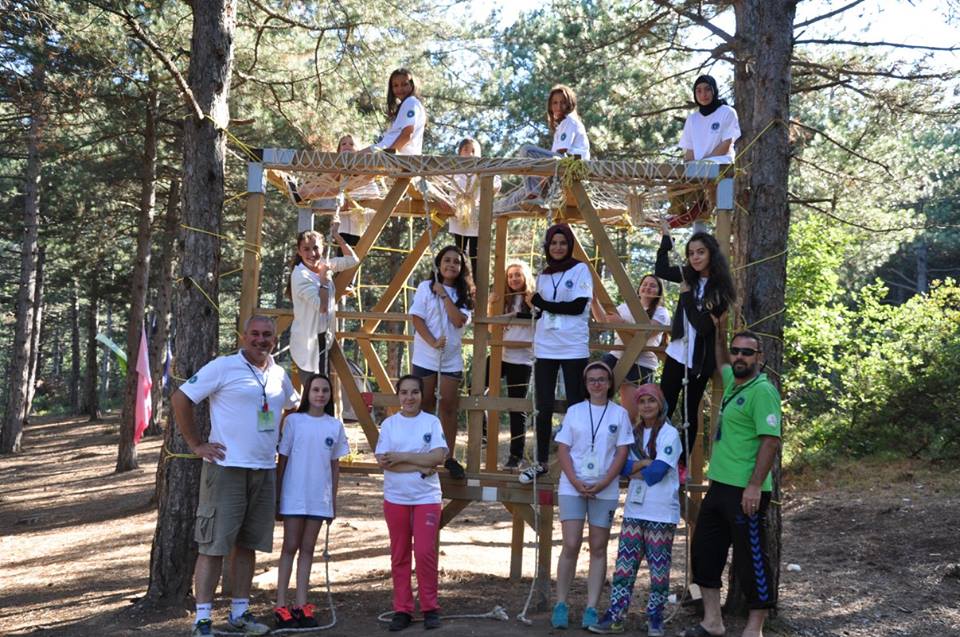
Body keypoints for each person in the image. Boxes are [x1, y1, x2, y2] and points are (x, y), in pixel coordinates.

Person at [173, 316, 300, 637]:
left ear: (275, 339)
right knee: (213, 545)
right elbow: (181, 398)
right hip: (225, 469)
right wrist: (196, 444)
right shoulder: (223, 367)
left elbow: (293, 407)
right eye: (254, 334)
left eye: (267, 335)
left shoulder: (279, 374)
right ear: (244, 337)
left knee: (248, 545)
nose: (261, 339)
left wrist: (280, 442)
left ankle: (239, 614)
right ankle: (203, 620)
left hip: (264, 470)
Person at [681, 320, 781, 637]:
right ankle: (713, 622)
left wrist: (754, 486)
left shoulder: (763, 391)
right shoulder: (734, 384)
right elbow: (722, 360)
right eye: (737, 351)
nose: (739, 356)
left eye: (747, 353)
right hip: (719, 486)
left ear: (759, 357)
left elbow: (770, 441)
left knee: (751, 561)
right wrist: (720, 330)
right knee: (705, 553)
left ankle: (754, 629)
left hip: (745, 491)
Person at [590, 384, 681, 637]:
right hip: (634, 511)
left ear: (660, 404)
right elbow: (621, 468)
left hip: (661, 512)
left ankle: (655, 618)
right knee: (624, 568)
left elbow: (656, 473)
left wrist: (636, 468)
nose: (647, 406)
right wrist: (643, 463)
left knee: (659, 570)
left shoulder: (670, 433)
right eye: (642, 401)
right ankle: (615, 616)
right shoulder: (633, 434)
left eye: (652, 400)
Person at [551, 361, 633, 629]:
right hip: (572, 486)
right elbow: (563, 449)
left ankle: (591, 607)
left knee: (598, 547)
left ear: (609, 384)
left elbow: (622, 452)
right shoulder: (574, 411)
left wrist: (605, 482)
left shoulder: (619, 414)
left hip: (604, 488)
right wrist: (575, 481)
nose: (597, 384)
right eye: (591, 380)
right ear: (585, 385)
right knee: (571, 543)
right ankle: (561, 604)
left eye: (601, 379)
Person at [656, 224, 735, 476]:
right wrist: (666, 239)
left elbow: (702, 327)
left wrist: (687, 297)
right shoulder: (686, 276)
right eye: (691, 253)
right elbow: (660, 270)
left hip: (700, 360)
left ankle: (681, 464)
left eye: (700, 252)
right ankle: (657, 455)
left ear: (711, 253)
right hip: (677, 352)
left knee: (689, 413)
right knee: (664, 406)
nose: (695, 258)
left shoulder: (721, 290)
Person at [519, 223, 593, 484]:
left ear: (569, 245)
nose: (558, 247)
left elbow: (577, 306)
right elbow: (541, 311)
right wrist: (530, 309)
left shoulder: (580, 269)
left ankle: (578, 459)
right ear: (547, 246)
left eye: (563, 243)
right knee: (543, 405)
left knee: (576, 404)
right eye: (553, 243)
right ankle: (540, 461)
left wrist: (543, 303)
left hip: (573, 346)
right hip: (546, 346)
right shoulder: (544, 274)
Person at [274, 373, 349, 630]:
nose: (320, 394)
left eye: (325, 390)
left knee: (308, 549)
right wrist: (278, 496)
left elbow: (335, 467)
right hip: (294, 495)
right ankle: (281, 604)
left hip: (319, 498)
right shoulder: (293, 421)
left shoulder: (334, 426)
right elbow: (283, 459)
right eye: (316, 390)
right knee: (290, 547)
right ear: (307, 393)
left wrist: (332, 502)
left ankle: (301, 603)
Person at [375, 375, 448, 632]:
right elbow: (385, 462)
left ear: (421, 395)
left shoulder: (431, 421)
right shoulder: (389, 425)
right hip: (396, 498)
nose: (409, 397)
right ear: (398, 395)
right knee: (400, 554)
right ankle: (402, 609)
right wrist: (420, 463)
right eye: (404, 392)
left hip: (426, 497)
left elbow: (437, 456)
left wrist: (402, 457)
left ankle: (430, 607)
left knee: (425, 552)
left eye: (414, 392)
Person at [410, 245, 475, 479]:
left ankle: (448, 456)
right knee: (425, 403)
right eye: (447, 260)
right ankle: (422, 452)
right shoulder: (425, 287)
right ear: (439, 264)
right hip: (426, 356)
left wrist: (445, 295)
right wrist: (432, 342)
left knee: (448, 406)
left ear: (462, 267)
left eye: (456, 262)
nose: (451, 265)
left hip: (450, 359)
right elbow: (417, 319)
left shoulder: (465, 293)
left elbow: (458, 321)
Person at [495, 84, 590, 211]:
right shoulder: (561, 126)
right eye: (555, 103)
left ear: (570, 104)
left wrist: (543, 175)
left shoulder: (569, 121)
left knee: (527, 150)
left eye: (563, 102)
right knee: (517, 196)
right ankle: (492, 210)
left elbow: (561, 153)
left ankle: (534, 194)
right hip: (560, 168)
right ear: (550, 106)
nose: (558, 107)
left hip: (572, 167)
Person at [288, 226, 359, 377]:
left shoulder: (324, 265)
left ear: (323, 249)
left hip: (324, 338)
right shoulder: (300, 276)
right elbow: (322, 307)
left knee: (322, 385)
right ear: (299, 251)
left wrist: (337, 236)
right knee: (313, 387)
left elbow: (353, 260)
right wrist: (324, 280)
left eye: (316, 248)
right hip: (307, 344)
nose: (312, 254)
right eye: (306, 249)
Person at [485, 259, 535, 469]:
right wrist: (491, 305)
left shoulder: (532, 298)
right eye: (510, 275)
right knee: (475, 389)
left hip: (522, 359)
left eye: (518, 275)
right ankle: (483, 433)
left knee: (517, 407)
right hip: (500, 354)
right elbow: (491, 329)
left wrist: (515, 315)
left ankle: (516, 456)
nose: (514, 279)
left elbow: (539, 319)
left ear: (525, 277)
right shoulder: (503, 300)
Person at [600, 274, 671, 423]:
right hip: (615, 356)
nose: (647, 287)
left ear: (659, 292)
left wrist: (621, 323)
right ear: (639, 288)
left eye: (653, 285)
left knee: (630, 416)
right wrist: (594, 302)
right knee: (593, 387)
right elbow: (603, 321)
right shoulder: (624, 308)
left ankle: (630, 437)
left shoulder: (661, 312)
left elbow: (647, 333)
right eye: (645, 284)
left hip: (641, 363)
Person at [448, 136, 501, 278]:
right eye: (466, 150)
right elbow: (444, 183)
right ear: (459, 152)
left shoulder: (483, 170)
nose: (470, 154)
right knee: (460, 252)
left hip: (476, 215)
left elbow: (496, 184)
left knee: (475, 253)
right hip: (459, 214)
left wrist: (486, 181)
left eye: (473, 151)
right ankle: (462, 281)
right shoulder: (454, 170)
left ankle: (478, 283)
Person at [679, 75, 740, 163]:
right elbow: (690, 150)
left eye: (707, 89)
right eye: (699, 91)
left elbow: (727, 143)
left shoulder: (727, 112)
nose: (703, 94)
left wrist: (705, 163)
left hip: (721, 165)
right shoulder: (692, 119)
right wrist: (688, 165)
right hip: (698, 168)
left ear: (714, 90)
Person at [369, 68, 426, 155]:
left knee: (353, 158)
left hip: (397, 155)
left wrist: (388, 156)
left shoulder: (411, 102)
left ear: (412, 85)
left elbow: (407, 133)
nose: (400, 88)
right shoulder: (405, 105)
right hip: (389, 151)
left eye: (404, 84)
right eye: (395, 85)